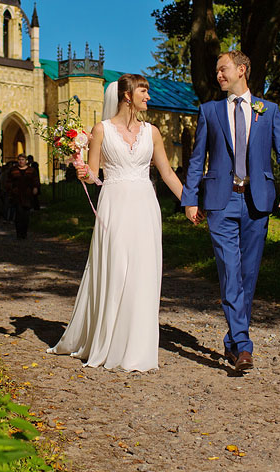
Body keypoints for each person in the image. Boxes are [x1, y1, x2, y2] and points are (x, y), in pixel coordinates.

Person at [48, 73, 183, 372]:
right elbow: (94, 176)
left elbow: (168, 174)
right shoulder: (102, 130)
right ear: (127, 95)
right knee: (116, 269)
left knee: (143, 274)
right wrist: (79, 164)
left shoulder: (153, 133)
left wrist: (191, 202)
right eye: (144, 92)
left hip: (146, 207)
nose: (148, 97)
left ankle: (137, 346)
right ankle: (108, 341)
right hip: (114, 206)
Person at [181, 50, 280, 373]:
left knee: (248, 274)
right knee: (230, 269)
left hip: (257, 203)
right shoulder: (209, 111)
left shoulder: (268, 111)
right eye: (217, 70)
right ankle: (244, 345)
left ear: (242, 69)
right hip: (220, 201)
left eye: (223, 69)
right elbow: (195, 160)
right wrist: (191, 199)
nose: (218, 75)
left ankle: (233, 340)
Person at [7, 153, 39, 239]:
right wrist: (11, 191)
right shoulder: (13, 170)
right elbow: (9, 181)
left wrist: (35, 188)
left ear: (26, 161)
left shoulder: (31, 170)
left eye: (23, 160)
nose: (21, 161)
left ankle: (24, 233)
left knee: (26, 215)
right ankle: (19, 233)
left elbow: (35, 180)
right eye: (19, 160)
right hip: (17, 195)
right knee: (18, 215)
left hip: (27, 195)